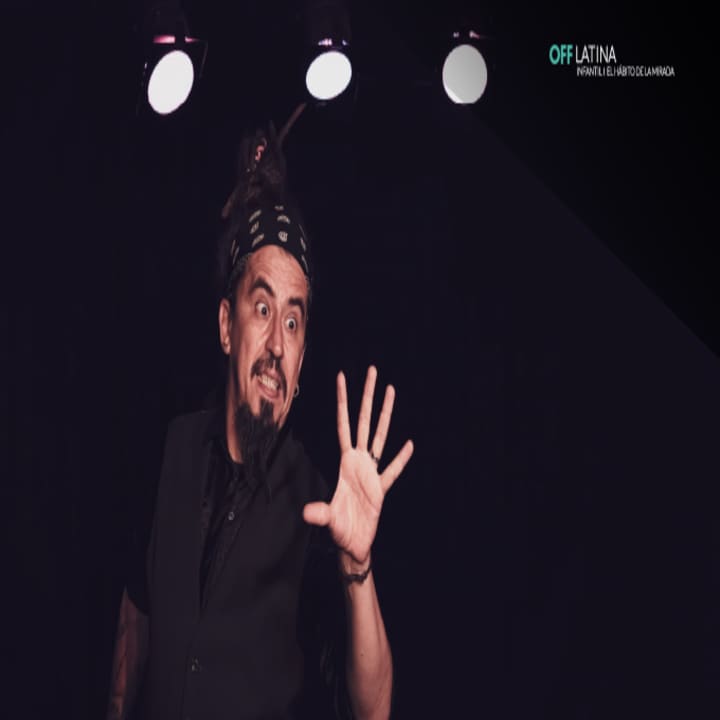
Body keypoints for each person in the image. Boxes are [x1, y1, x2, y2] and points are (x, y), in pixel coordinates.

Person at [106, 115, 414, 720]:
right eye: (263, 308)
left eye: (293, 322)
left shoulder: (321, 507)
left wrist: (358, 569)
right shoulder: (169, 450)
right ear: (227, 326)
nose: (276, 344)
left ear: (300, 367)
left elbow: (374, 710)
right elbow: (136, 613)